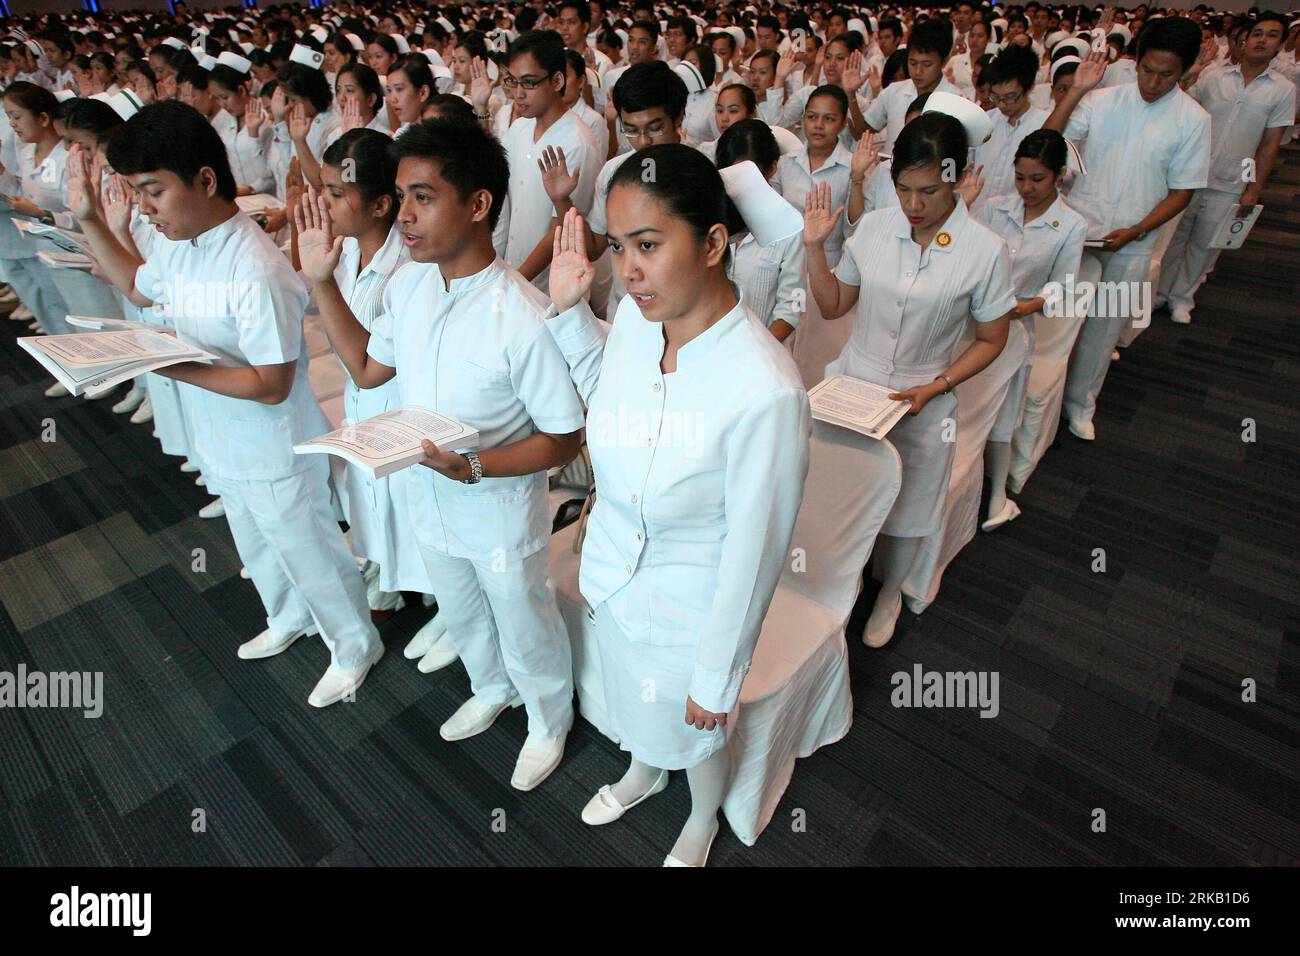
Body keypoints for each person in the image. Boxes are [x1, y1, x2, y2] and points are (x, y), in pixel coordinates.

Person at [544, 144, 811, 867]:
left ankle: (701, 817)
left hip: (691, 601)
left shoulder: (764, 390)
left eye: (650, 245)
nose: (627, 269)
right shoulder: (638, 318)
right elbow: (610, 395)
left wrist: (717, 674)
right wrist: (570, 315)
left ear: (716, 242)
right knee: (632, 697)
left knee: (693, 725)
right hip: (612, 564)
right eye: (619, 245)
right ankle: (639, 767)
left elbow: (756, 553)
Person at [301, 118, 584, 792]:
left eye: (423, 197)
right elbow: (371, 370)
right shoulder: (410, 285)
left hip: (493, 503)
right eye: (400, 197)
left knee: (521, 614)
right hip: (426, 487)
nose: (405, 216)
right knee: (459, 607)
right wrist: (322, 282)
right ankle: (490, 688)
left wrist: (478, 467)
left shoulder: (524, 313)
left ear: (479, 204)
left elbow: (566, 437)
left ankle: (548, 716)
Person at [69, 101, 381, 707]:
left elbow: (270, 382)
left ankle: (353, 643)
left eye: (154, 191)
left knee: (307, 548)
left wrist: (171, 364)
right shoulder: (180, 243)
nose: (144, 208)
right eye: (138, 192)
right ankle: (288, 616)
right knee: (255, 540)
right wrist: (87, 220)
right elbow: (137, 285)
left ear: (205, 181)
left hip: (271, 444)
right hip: (219, 430)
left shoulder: (254, 267)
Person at [803, 111, 1016, 648]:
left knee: (908, 504)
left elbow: (993, 338)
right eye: (903, 190)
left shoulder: (983, 250)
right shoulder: (874, 228)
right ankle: (840, 582)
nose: (915, 206)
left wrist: (940, 384)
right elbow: (832, 307)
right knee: (841, 494)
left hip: (925, 397)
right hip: (855, 385)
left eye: (930, 191)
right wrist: (813, 249)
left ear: (958, 176)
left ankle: (892, 591)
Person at [1044, 18, 1210, 441]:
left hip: (1132, 240)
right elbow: (1047, 141)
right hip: (1080, 230)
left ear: (1185, 71)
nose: (1152, 82)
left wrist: (1136, 230)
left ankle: (1081, 404)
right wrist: (1078, 90)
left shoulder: (1193, 120)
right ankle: (1043, 404)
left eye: (1165, 74)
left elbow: (1182, 192)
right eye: (1146, 70)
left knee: (1102, 328)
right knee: (1059, 322)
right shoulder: (1104, 100)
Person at [978, 128, 1086, 530]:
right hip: (974, 323)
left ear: (1058, 175)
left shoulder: (1070, 225)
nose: (1026, 188)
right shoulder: (994, 208)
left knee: (1004, 416)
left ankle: (997, 494)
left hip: (1016, 326)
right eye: (1020, 177)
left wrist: (1029, 305)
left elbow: (1063, 286)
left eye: (1037, 179)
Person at [1158, 13, 1294, 324]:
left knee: (1205, 244)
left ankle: (1182, 298)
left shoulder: (1282, 89)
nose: (1262, 40)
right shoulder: (1214, 76)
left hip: (1233, 177)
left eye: (1271, 35)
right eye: (1257, 33)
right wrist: (1191, 73)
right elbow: (1183, 110)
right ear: (1244, 40)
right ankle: (1160, 293)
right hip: (1191, 172)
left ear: (1280, 45)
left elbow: (1270, 143)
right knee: (1173, 238)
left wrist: (1253, 188)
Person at [499, 30, 600, 291]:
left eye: (529, 83)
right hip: (510, 270)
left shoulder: (577, 142)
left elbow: (562, 226)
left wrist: (518, 280)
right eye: (513, 81)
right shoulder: (518, 129)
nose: (518, 93)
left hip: (548, 285)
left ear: (556, 81)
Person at [715, 119, 807, 341]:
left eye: (748, 176)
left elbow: (794, 305)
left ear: (772, 169)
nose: (737, 185)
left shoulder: (790, 228)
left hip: (763, 351)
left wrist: (759, 352)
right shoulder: (707, 217)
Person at [861, 19, 963, 151]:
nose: (918, 71)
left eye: (927, 64)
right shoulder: (894, 91)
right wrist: (850, 95)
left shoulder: (957, 101)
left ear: (944, 61)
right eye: (913, 63)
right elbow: (863, 131)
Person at [972, 45, 1048, 214]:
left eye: (1010, 97)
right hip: (978, 214)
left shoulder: (1044, 125)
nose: (1001, 104)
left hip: (1018, 219)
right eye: (996, 97)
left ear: (1028, 88)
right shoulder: (985, 121)